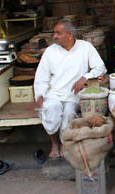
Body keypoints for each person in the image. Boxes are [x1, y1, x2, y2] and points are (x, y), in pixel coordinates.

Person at [33, 18, 107, 159]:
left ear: (69, 35)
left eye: (58, 33)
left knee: (69, 113)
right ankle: (55, 144)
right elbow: (42, 76)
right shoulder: (50, 51)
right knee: (51, 111)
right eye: (55, 33)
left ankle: (65, 144)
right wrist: (40, 95)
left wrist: (85, 77)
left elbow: (100, 68)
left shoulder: (85, 47)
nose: (54, 36)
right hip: (54, 93)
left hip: (74, 94)